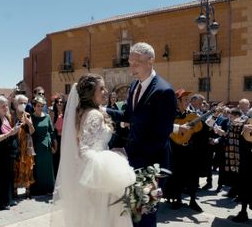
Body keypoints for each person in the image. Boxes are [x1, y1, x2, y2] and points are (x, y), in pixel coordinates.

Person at [107, 42, 177, 227]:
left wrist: (127, 153)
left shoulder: (164, 91)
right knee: (133, 214)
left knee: (145, 216)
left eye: (136, 63)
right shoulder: (133, 87)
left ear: (150, 61)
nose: (131, 68)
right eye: (130, 63)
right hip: (133, 162)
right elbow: (129, 116)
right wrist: (102, 110)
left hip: (152, 166)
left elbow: (161, 136)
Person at [52, 73, 136, 227]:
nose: (106, 91)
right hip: (98, 178)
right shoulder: (94, 115)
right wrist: (112, 164)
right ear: (91, 93)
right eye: (101, 88)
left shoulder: (84, 112)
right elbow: (85, 150)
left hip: (89, 174)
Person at [0, 95, 20, 210]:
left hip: (7, 152)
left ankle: (9, 200)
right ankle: (0, 204)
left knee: (8, 177)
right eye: (3, 106)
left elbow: (10, 134)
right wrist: (10, 133)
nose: (6, 108)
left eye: (6, 105)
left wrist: (14, 132)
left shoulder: (6, 118)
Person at [30, 96, 56, 196]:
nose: (40, 108)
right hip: (37, 146)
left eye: (42, 106)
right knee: (38, 169)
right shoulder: (31, 117)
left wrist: (55, 145)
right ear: (34, 106)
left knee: (48, 168)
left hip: (47, 145)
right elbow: (30, 132)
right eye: (38, 106)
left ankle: (49, 188)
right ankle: (38, 190)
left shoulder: (47, 116)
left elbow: (52, 131)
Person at [11, 94, 35, 199]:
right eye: (21, 103)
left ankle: (27, 190)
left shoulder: (28, 115)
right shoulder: (11, 115)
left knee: (27, 166)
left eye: (25, 103)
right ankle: (15, 190)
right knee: (15, 166)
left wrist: (29, 124)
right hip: (15, 144)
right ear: (15, 104)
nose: (23, 105)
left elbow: (32, 131)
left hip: (26, 146)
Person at [52, 94, 66, 178]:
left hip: (64, 139)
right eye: (57, 102)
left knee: (63, 160)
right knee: (55, 160)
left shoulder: (67, 115)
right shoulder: (52, 114)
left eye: (61, 102)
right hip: (55, 139)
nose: (59, 103)